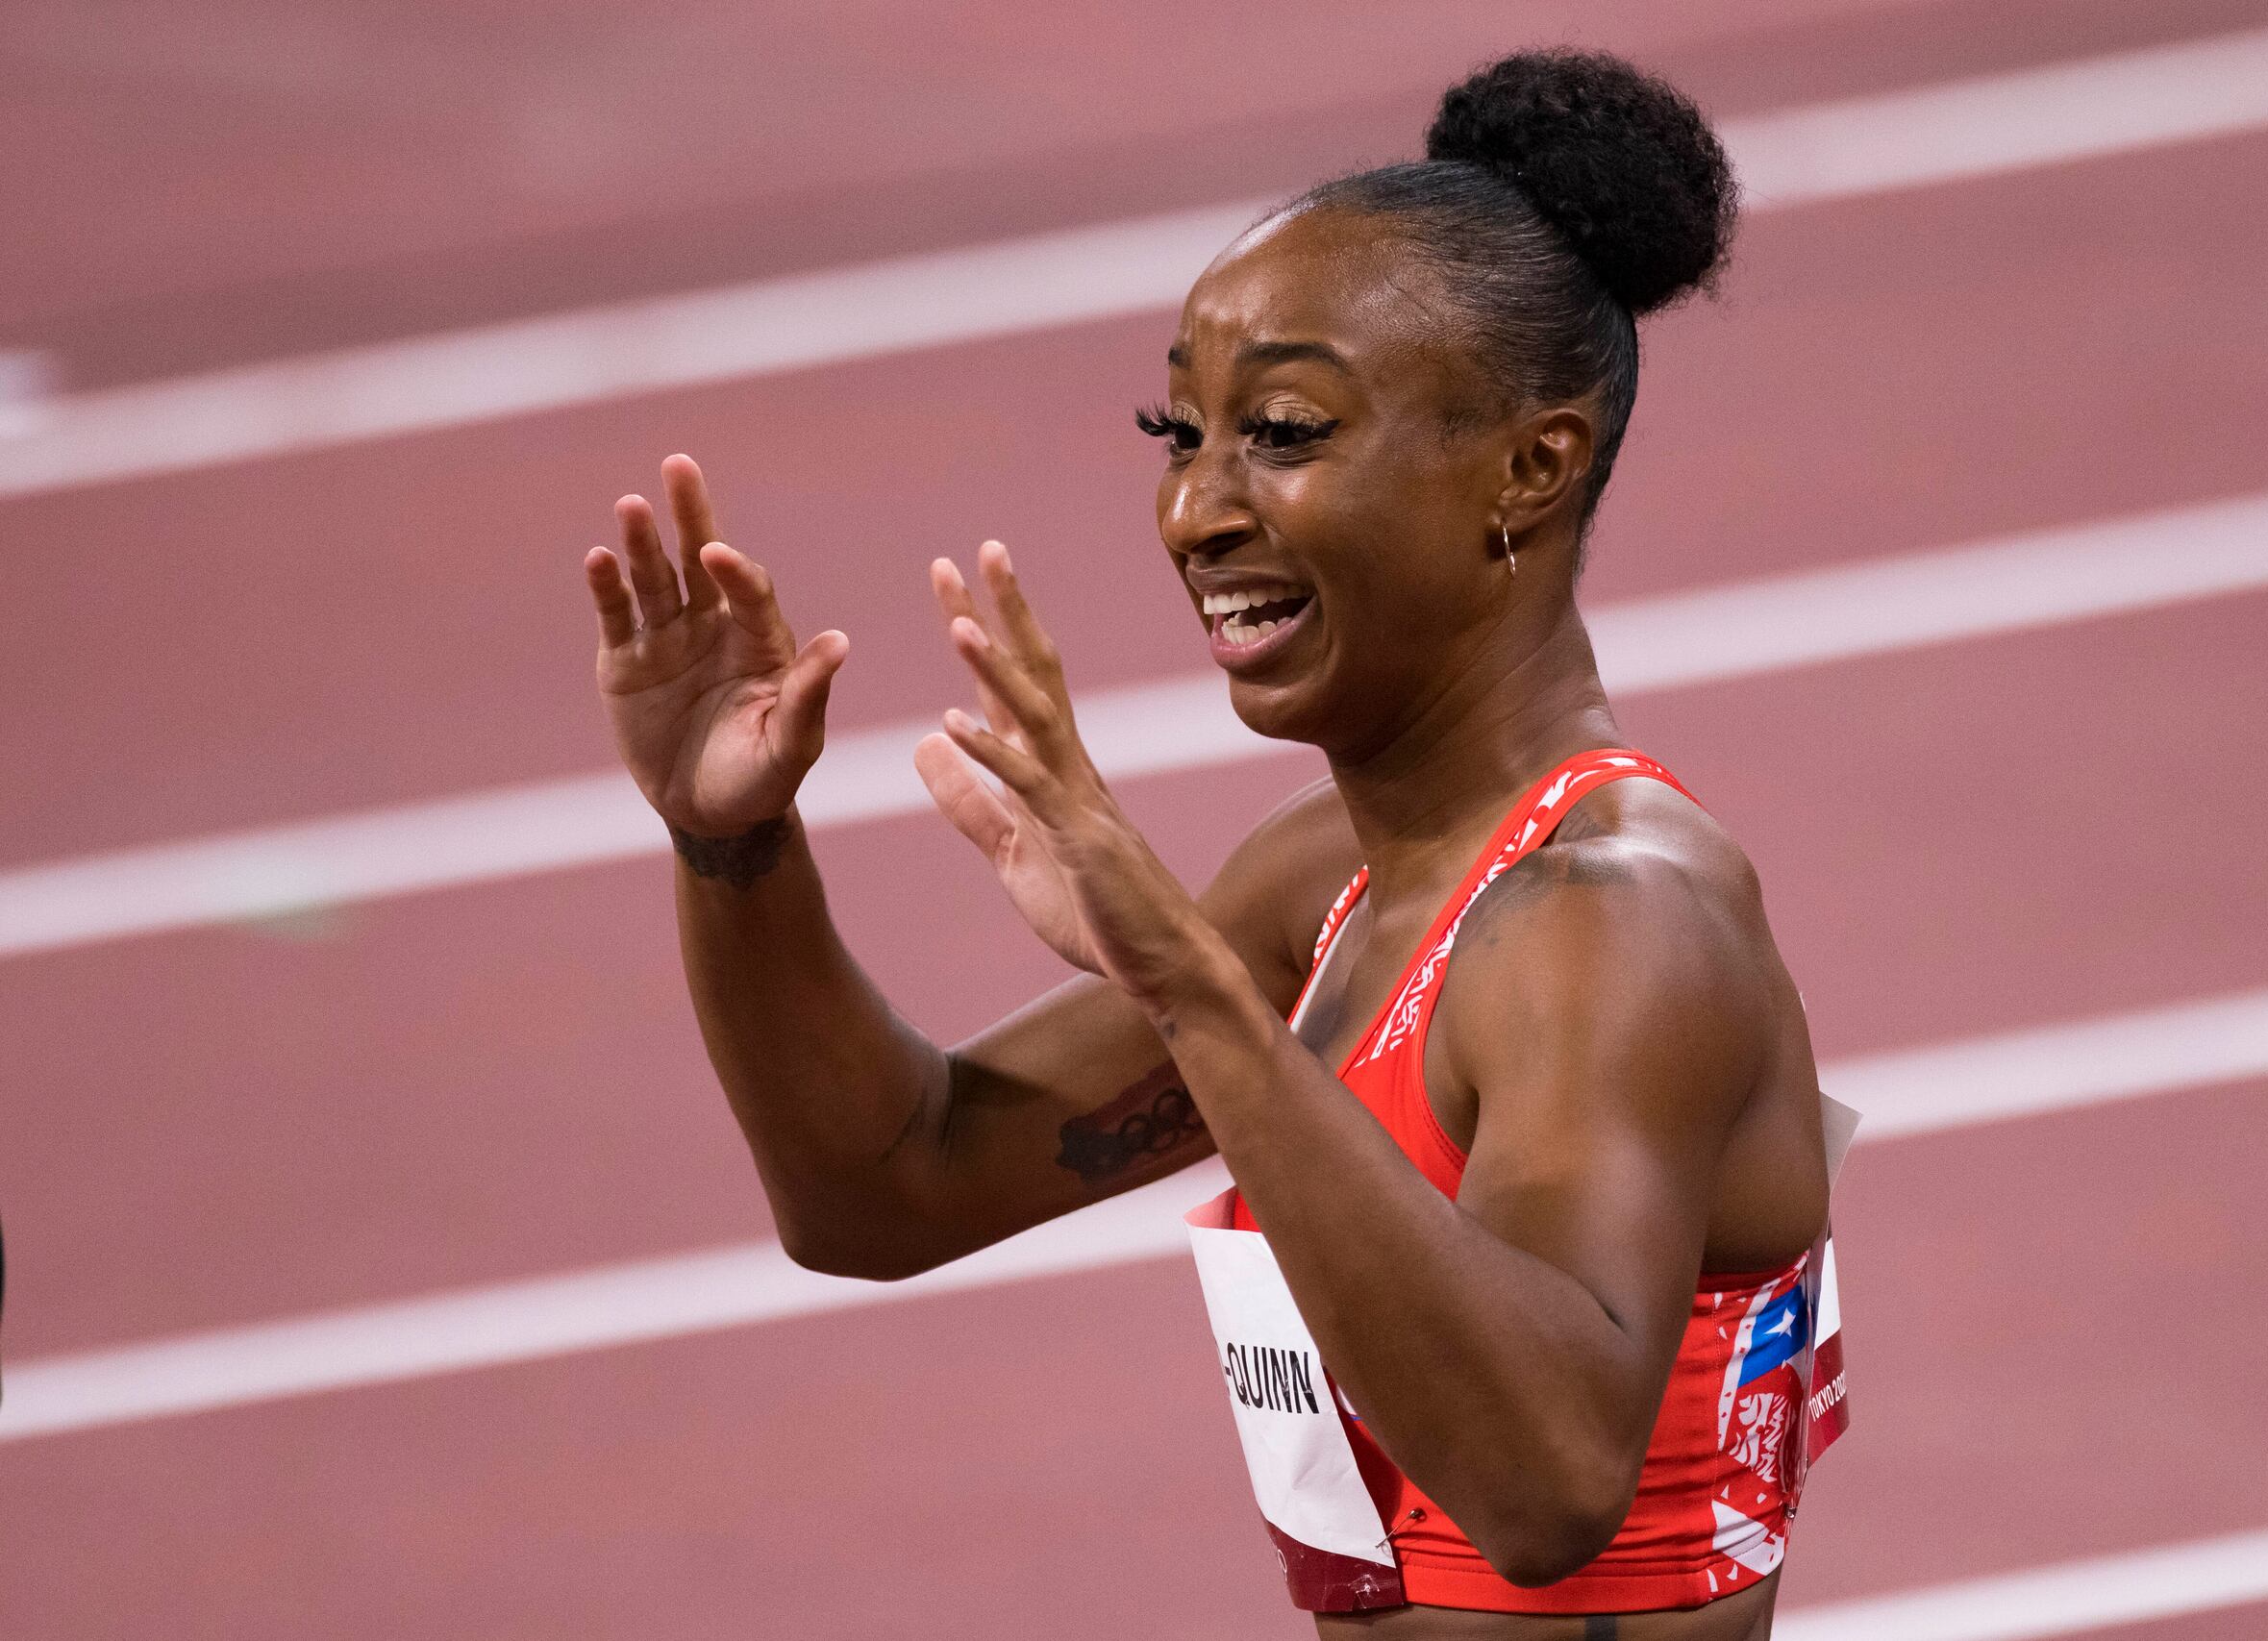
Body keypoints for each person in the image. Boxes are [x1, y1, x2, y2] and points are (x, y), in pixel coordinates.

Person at [583, 50, 1847, 1639]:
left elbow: (1541, 1487)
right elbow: (879, 1190)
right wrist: (736, 848)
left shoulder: (1614, 919)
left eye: (1286, 432)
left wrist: (1190, 988)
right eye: (1180, 431)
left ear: (1531, 464)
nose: (1196, 509)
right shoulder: (1326, 883)